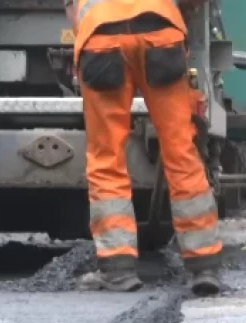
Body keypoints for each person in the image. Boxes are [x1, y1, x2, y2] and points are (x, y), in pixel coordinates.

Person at [65, 0, 222, 295]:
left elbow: (73, 8)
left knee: (106, 156)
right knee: (180, 151)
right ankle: (204, 265)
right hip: (161, 34)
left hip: (101, 39)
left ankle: (118, 268)